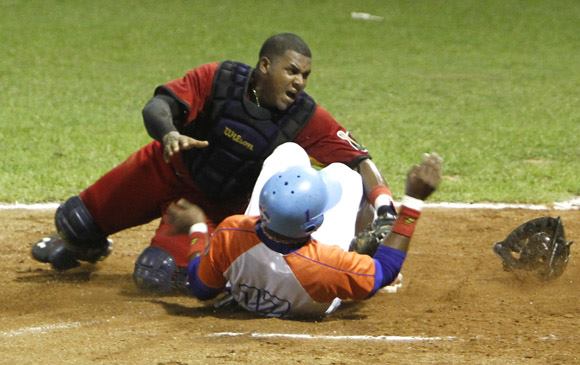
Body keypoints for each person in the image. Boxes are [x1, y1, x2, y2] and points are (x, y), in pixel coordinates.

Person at [31, 33, 397, 293]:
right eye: (292, 71)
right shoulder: (219, 79)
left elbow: (357, 158)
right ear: (265, 66)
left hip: (211, 208)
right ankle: (84, 247)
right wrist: (169, 133)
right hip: (163, 170)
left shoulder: (305, 117)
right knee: (75, 220)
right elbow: (158, 106)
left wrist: (383, 205)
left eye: (305, 75)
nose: (299, 82)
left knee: (156, 275)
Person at [167, 152, 442, 318]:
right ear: (313, 227)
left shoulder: (230, 232)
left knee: (287, 151)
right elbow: (386, 270)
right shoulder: (330, 264)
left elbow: (200, 287)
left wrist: (197, 228)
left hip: (247, 273)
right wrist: (414, 201)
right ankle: (359, 247)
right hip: (316, 285)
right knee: (345, 176)